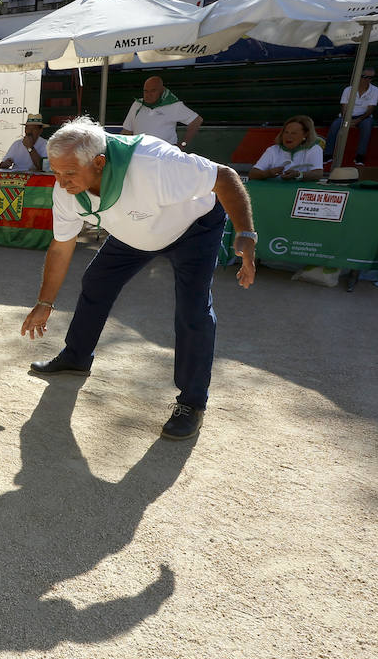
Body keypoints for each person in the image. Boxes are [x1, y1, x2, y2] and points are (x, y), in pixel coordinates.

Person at [20, 116, 257, 441]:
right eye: (56, 172)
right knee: (95, 281)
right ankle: (76, 356)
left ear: (99, 162)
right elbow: (61, 247)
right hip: (134, 233)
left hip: (194, 228)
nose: (61, 182)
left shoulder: (153, 162)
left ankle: (192, 403)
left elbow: (225, 177)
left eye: (70, 173)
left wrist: (245, 232)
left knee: (193, 311)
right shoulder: (67, 191)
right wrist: (44, 302)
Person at [121, 75, 202, 151]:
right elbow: (127, 131)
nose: (148, 95)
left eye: (153, 91)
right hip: (140, 153)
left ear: (161, 91)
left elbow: (197, 120)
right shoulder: (137, 104)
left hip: (165, 155)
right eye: (146, 91)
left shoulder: (173, 105)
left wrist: (182, 145)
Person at [323, 67, 378, 165]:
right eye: (364, 77)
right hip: (347, 116)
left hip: (364, 117)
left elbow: (370, 109)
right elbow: (344, 107)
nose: (367, 79)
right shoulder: (348, 90)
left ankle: (360, 156)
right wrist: (347, 120)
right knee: (335, 125)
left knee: (367, 126)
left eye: (370, 77)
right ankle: (327, 155)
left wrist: (358, 120)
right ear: (359, 77)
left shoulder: (375, 90)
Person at [249, 116, 324, 181]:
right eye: (286, 132)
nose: (288, 136)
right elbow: (253, 174)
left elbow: (318, 174)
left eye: (294, 133)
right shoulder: (273, 150)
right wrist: (267, 173)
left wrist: (298, 175)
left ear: (305, 134)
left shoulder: (314, 149)